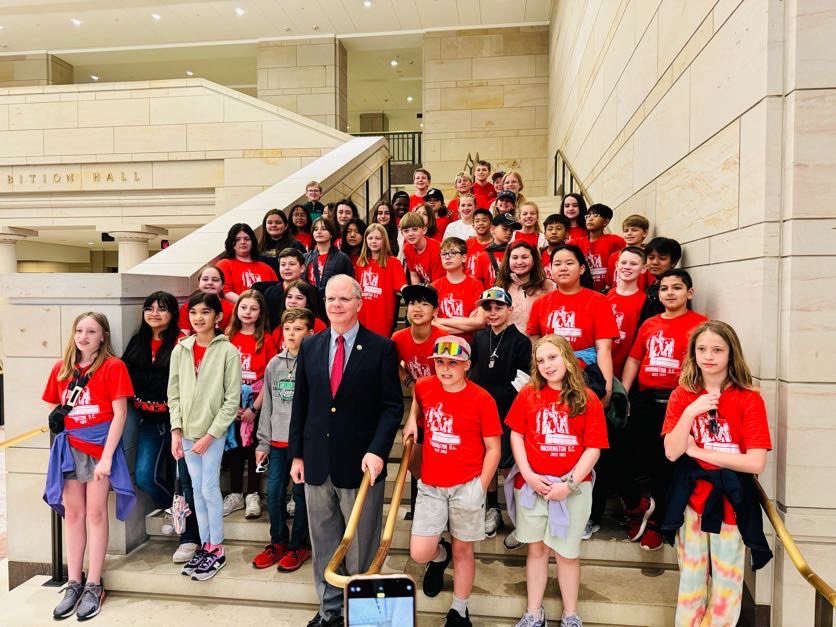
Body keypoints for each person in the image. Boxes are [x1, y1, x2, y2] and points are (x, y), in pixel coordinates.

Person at [288, 275, 403, 626]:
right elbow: (301, 404)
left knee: (361, 545)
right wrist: (297, 454)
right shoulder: (310, 345)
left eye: (344, 299)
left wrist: (379, 451)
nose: (336, 305)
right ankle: (330, 610)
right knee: (323, 541)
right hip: (317, 461)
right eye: (331, 299)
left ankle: (363, 613)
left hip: (361, 463)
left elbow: (392, 407)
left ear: (359, 303)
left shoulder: (381, 348)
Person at [662, 321, 772, 627]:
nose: (708, 356)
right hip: (692, 501)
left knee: (726, 586)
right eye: (701, 349)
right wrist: (690, 411)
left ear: (730, 353)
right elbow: (672, 451)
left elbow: (755, 463)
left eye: (717, 349)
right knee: (691, 582)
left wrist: (699, 452)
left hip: (731, 503)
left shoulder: (749, 398)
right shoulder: (683, 395)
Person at [505, 335, 609, 627]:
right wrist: (527, 474)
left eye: (552, 357)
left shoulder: (587, 398)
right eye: (541, 360)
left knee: (566, 553)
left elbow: (594, 447)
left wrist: (570, 484)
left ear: (566, 357)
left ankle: (570, 615)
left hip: (572, 488)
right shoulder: (528, 394)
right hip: (534, 485)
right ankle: (534, 612)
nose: (547, 365)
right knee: (536, 550)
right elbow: (517, 434)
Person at [402, 336, 502, 627]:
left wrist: (480, 488)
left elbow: (494, 449)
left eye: (453, 363)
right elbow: (419, 403)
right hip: (432, 484)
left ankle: (460, 609)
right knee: (420, 552)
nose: (445, 369)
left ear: (467, 365)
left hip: (466, 484)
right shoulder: (425, 386)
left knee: (463, 549)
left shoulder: (482, 399)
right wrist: (412, 419)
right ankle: (438, 554)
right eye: (440, 363)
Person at [44, 312, 136, 621]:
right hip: (69, 449)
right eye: (79, 330)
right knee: (73, 514)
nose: (83, 336)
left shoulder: (113, 367)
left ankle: (94, 583)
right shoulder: (61, 369)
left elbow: (120, 414)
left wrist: (108, 456)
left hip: (99, 447)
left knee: (96, 513)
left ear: (103, 336)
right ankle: (74, 581)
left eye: (91, 331)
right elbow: (55, 409)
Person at [620, 270, 708, 550]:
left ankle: (657, 521)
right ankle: (636, 506)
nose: (670, 293)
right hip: (645, 400)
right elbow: (634, 359)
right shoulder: (649, 324)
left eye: (677, 288)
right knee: (628, 457)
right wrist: (624, 394)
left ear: (689, 293)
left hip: (678, 402)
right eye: (664, 289)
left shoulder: (701, 325)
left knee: (664, 465)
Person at [123, 292, 200, 563]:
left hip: (178, 420)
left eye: (162, 309)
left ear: (172, 313)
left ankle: (190, 536)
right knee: (144, 476)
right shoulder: (137, 341)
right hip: (147, 419)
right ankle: (173, 509)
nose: (154, 313)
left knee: (185, 480)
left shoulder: (182, 342)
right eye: (149, 308)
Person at [169, 293, 241, 582]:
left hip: (212, 434)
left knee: (210, 489)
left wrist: (211, 435)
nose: (199, 318)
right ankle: (205, 544)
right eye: (194, 312)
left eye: (206, 312)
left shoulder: (228, 351)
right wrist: (176, 431)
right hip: (186, 433)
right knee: (196, 491)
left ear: (218, 317)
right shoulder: (181, 349)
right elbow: (173, 394)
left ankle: (217, 548)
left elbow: (231, 400)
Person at [253, 308, 315, 573]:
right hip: (277, 441)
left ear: (310, 333)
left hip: (303, 444)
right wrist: (262, 442)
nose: (291, 334)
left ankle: (299, 544)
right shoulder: (274, 364)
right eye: (287, 329)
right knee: (275, 492)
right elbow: (267, 405)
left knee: (301, 495)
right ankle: (278, 540)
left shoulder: (314, 364)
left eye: (298, 329)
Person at [468, 288, 532, 539]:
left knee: (509, 465)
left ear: (509, 309)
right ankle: (492, 509)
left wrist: (499, 399)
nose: (493, 313)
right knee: (488, 463)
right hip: (482, 413)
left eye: (498, 307)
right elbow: (472, 370)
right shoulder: (481, 338)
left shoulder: (520, 341)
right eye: (488, 308)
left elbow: (525, 379)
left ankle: (520, 517)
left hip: (509, 411)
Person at [526, 244, 619, 408]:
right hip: (551, 375)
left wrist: (607, 390)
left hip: (586, 374)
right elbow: (536, 344)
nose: (563, 268)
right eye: (557, 264)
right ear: (550, 269)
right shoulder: (540, 303)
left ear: (582, 268)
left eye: (569, 263)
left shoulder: (598, 301)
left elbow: (604, 349)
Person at [392, 284, 447, 520]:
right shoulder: (398, 338)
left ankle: (440, 506)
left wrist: (420, 391)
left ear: (435, 311)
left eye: (424, 303)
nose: (417, 308)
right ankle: (422, 507)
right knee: (415, 460)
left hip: (442, 406)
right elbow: (396, 365)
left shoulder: (444, 339)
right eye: (413, 303)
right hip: (420, 402)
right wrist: (410, 383)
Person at [223, 289, 278, 520]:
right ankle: (235, 493)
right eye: (244, 307)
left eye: (253, 308)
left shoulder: (266, 340)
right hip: (231, 402)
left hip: (257, 402)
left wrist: (254, 409)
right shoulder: (227, 337)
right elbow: (220, 374)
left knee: (254, 448)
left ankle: (253, 493)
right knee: (235, 447)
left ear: (260, 313)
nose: (248, 312)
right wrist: (231, 405)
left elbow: (270, 378)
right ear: (237, 310)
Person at [354, 223, 407, 337]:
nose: (373, 241)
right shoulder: (360, 263)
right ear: (365, 240)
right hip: (362, 316)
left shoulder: (393, 262)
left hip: (382, 316)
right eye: (370, 238)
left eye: (378, 238)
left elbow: (402, 286)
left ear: (384, 240)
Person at [494, 240, 556, 334]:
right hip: (510, 345)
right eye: (515, 257)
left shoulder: (548, 286)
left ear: (534, 259)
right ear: (508, 260)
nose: (519, 262)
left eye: (525, 257)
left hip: (540, 344)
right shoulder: (500, 287)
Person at [431, 236, 485, 342]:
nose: (447, 257)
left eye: (453, 253)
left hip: (469, 344)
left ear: (464, 257)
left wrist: (441, 320)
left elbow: (480, 323)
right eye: (444, 253)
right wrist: (467, 323)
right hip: (441, 343)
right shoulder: (434, 287)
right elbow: (431, 324)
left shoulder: (476, 285)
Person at [216, 223, 278, 304]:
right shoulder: (224, 264)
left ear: (252, 242)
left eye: (247, 239)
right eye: (237, 239)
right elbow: (225, 292)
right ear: (231, 243)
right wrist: (248, 304)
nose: (242, 242)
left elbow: (276, 293)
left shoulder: (267, 268)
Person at [637, 236, 683, 327]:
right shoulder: (652, 287)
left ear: (674, 262)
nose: (655, 262)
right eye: (651, 257)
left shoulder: (677, 289)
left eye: (662, 258)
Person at [304, 217, 354, 298]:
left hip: (332, 301)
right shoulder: (306, 257)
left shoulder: (342, 258)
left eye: (323, 229)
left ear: (331, 233)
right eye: (316, 229)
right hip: (309, 302)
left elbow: (349, 285)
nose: (319, 232)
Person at [177, 264, 235, 335]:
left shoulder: (232, 308)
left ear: (222, 285)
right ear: (199, 283)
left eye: (215, 280)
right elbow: (184, 336)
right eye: (205, 279)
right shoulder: (187, 307)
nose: (210, 283)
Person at [582, 204, 626, 292]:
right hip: (584, 291)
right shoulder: (575, 243)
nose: (590, 219)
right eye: (588, 216)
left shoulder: (616, 241)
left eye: (595, 216)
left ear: (605, 222)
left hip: (608, 291)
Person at [272, 280, 328, 349]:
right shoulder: (278, 328)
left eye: (299, 298)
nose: (292, 301)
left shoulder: (318, 325)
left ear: (307, 302)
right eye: (289, 297)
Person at [473, 212, 521, 290]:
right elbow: (479, 283)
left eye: (511, 230)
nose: (509, 233)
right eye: (505, 229)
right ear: (492, 229)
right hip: (490, 299)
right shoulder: (483, 256)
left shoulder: (515, 253)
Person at [605, 214, 650, 291]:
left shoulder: (648, 256)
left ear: (645, 233)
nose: (629, 233)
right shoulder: (614, 256)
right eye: (626, 230)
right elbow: (609, 284)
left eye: (634, 230)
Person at [258, 208, 305, 275]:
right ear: (265, 226)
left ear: (286, 226)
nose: (274, 225)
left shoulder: (296, 245)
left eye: (278, 222)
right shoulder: (258, 247)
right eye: (270, 223)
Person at [401, 211, 444, 284]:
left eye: (415, 229)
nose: (410, 234)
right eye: (406, 231)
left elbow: (438, 281)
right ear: (402, 234)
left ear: (424, 230)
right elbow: (414, 275)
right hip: (428, 285)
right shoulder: (407, 248)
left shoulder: (436, 248)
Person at [540, 213, 575, 281]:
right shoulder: (539, 254)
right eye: (550, 229)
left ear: (566, 234)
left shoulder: (573, 254)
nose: (554, 232)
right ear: (544, 235)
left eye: (558, 229)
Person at [464, 208, 493, 278]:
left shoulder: (496, 245)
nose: (480, 223)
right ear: (473, 225)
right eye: (477, 221)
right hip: (470, 284)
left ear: (491, 224)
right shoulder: (467, 243)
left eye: (484, 220)